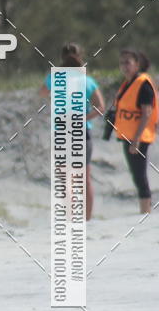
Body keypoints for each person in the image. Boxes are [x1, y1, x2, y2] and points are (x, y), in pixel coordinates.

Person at [40, 43, 105, 220]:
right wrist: (82, 118)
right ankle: (87, 219)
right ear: (80, 57)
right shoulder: (87, 81)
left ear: (62, 58)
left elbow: (42, 93)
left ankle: (71, 217)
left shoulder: (55, 78)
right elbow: (100, 107)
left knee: (65, 179)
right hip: (82, 132)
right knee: (84, 180)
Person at [112, 48, 157, 214]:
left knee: (139, 174)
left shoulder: (143, 84)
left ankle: (145, 212)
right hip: (127, 135)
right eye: (122, 63)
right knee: (135, 173)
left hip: (139, 136)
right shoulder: (127, 84)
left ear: (137, 64)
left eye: (128, 63)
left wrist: (137, 139)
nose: (124, 66)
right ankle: (145, 210)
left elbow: (147, 113)